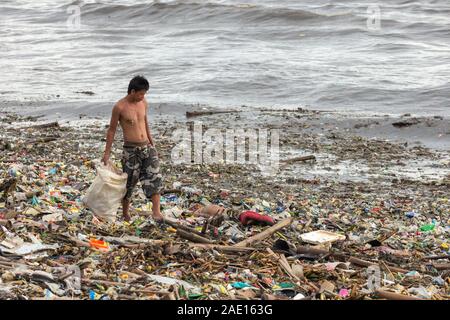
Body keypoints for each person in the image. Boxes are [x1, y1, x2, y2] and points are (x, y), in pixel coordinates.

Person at [102, 75, 163, 222]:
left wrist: (151, 141)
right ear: (132, 91)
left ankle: (156, 212)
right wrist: (107, 154)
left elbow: (145, 121)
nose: (143, 96)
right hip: (131, 150)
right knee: (129, 183)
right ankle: (125, 213)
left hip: (147, 147)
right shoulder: (119, 107)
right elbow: (111, 130)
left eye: (145, 94)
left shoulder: (143, 103)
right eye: (141, 93)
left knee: (155, 177)